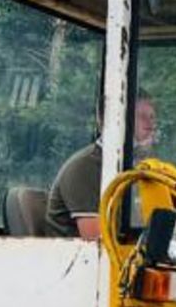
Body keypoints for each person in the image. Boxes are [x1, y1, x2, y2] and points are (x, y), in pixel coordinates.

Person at [48, 94, 158, 239]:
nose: (151, 125)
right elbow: (98, 243)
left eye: (152, 117)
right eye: (142, 116)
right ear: (115, 120)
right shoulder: (85, 167)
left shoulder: (134, 166)